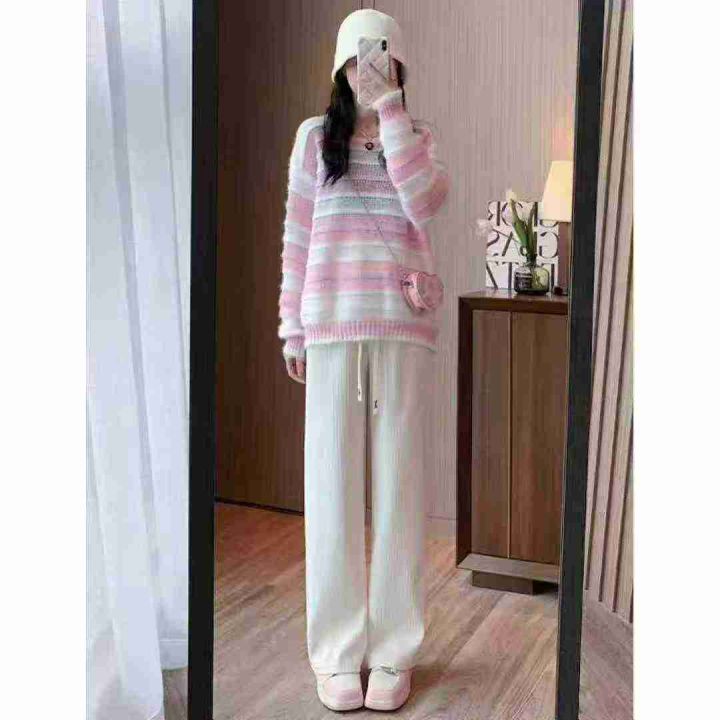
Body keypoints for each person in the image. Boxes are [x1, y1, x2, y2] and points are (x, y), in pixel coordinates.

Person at [277, 8, 449, 712]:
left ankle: (395, 651)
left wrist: (392, 112)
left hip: (401, 328)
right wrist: (291, 327)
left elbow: (426, 203)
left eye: (380, 56)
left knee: (400, 491)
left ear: (397, 63)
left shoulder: (418, 137)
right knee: (331, 492)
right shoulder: (313, 138)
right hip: (331, 328)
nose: (367, 67)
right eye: (357, 56)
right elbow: (297, 234)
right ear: (339, 64)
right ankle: (337, 652)